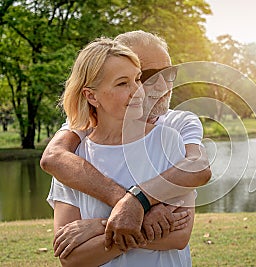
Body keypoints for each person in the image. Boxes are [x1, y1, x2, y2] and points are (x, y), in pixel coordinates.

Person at [40, 30, 211, 253]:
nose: (163, 86)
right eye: (149, 75)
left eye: (169, 73)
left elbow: (198, 168)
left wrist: (121, 212)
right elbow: (53, 157)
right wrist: (129, 206)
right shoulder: (87, 128)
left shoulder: (177, 125)